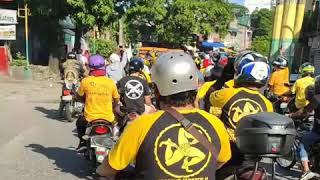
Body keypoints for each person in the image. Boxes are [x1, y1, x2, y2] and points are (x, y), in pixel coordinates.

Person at [97, 52, 231, 179]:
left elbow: (107, 169)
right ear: (195, 89)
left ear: (157, 90)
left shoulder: (142, 124)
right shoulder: (215, 123)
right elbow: (221, 160)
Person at [210, 51, 273, 179]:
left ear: (242, 70)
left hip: (228, 151)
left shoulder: (226, 94)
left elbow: (210, 97)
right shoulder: (267, 104)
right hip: (252, 156)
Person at [76, 54, 120, 151]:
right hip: (108, 118)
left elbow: (79, 96)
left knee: (79, 122)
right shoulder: (110, 82)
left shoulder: (85, 81)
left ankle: (82, 142)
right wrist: (114, 105)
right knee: (117, 127)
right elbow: (116, 99)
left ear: (90, 67)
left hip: (90, 118)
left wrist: (84, 100)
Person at [290, 76, 320, 180]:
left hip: (317, 132)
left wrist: (290, 116)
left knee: (302, 144)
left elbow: (304, 112)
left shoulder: (317, 98)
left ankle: (306, 171)